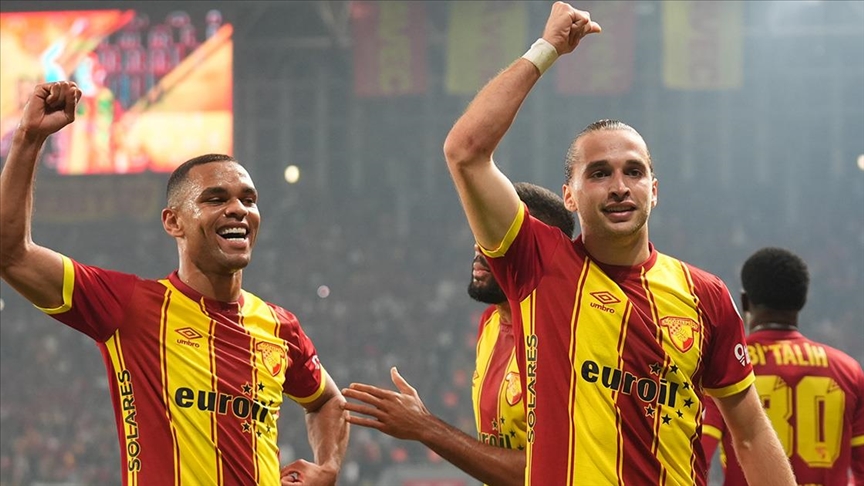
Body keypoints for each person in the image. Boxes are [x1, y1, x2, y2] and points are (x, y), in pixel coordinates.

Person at [440, 2, 797, 485]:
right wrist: (546, 50)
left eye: (634, 171)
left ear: (654, 189)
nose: (619, 187)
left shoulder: (705, 295)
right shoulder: (539, 265)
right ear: (569, 195)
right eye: (599, 173)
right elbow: (465, 151)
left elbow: (749, 432)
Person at [0, 81, 349, 486]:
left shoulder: (279, 327)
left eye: (248, 199)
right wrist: (29, 138)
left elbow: (327, 401)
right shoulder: (128, 306)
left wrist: (328, 467)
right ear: (173, 222)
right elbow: (11, 254)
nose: (238, 209)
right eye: (215, 199)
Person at [341, 182, 575, 486]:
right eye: (481, 230)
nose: (481, 246)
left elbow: (545, 472)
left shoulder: (565, 338)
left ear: (540, 251)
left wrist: (425, 426)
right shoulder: (490, 322)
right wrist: (422, 420)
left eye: (499, 235)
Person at [701, 247, 864, 486]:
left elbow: (697, 455)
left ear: (745, 301)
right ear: (802, 301)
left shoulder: (728, 363)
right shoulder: (849, 371)